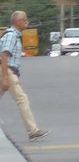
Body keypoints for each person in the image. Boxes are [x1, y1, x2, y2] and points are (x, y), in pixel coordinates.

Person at [0, 11, 50, 141]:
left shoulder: (14, 36)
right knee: (22, 99)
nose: (27, 22)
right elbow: (4, 56)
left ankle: (32, 131)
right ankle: (32, 131)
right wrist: (6, 78)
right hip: (6, 71)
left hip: (8, 71)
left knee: (21, 99)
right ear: (17, 22)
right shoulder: (11, 36)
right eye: (25, 19)